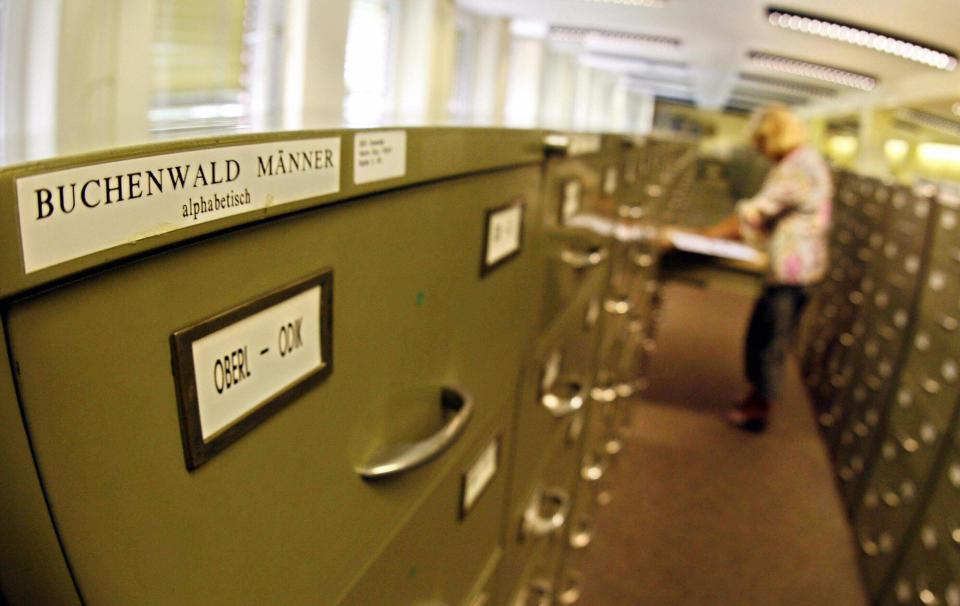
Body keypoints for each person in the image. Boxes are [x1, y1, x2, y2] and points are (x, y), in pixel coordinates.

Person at [697, 105, 833, 432]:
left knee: (769, 340)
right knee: (766, 336)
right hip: (800, 269)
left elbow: (756, 213)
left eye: (761, 144)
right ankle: (756, 397)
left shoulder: (795, 168)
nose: (760, 153)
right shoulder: (809, 160)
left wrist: (704, 237)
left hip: (791, 272)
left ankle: (759, 410)